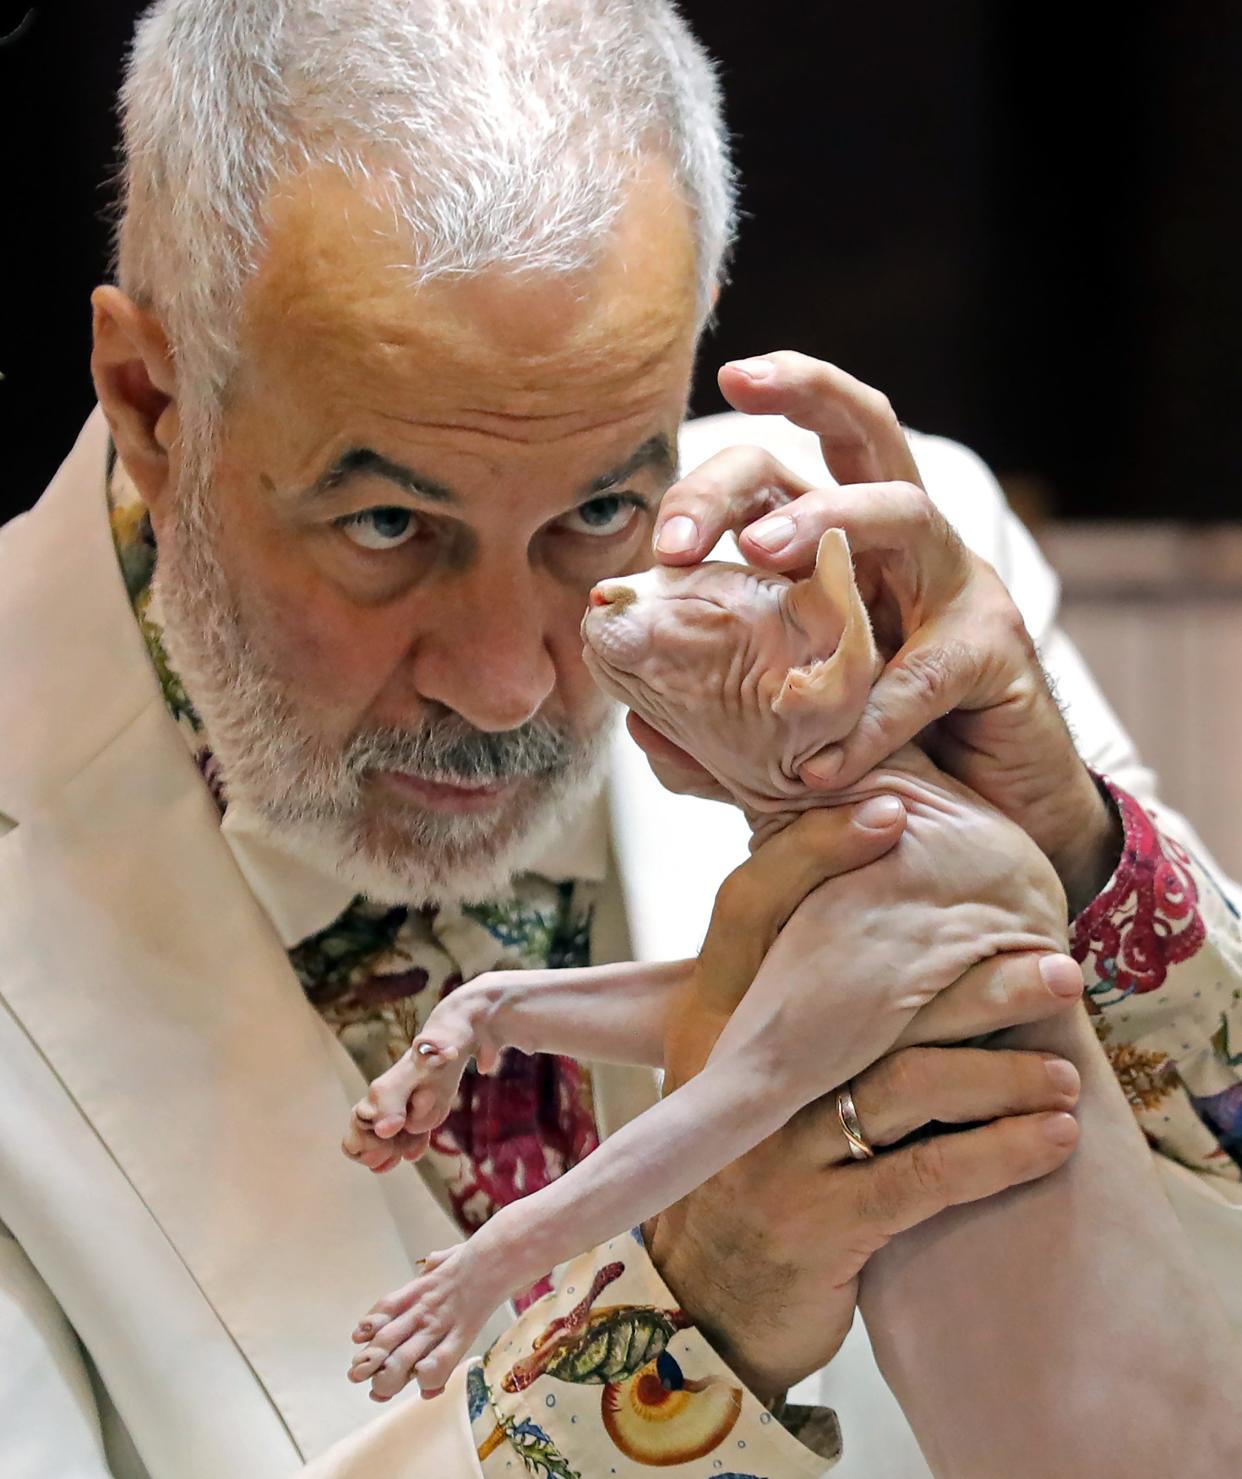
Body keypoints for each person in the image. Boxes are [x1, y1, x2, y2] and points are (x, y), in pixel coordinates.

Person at [0, 2, 1238, 1475]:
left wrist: (1085, 865)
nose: (512, 686)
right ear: (152, 401)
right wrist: (693, 1309)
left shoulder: (885, 589)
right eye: (386, 523)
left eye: (597, 510)